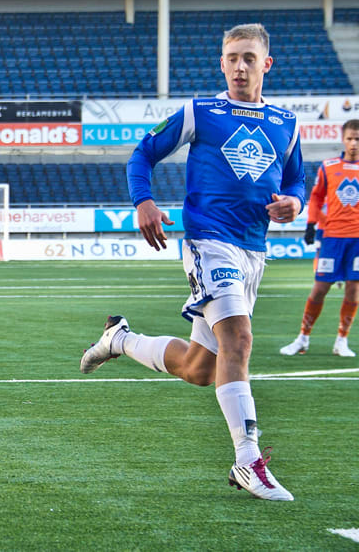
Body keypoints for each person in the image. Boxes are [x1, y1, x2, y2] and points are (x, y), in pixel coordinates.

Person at [79, 24, 305, 501]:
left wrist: (295, 203)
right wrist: (143, 201)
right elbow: (142, 153)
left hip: (254, 250)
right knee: (238, 339)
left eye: (249, 58)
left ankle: (120, 339)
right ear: (221, 64)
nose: (239, 66)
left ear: (266, 64)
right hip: (209, 241)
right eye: (231, 58)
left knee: (201, 368)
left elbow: (296, 180)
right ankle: (248, 460)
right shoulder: (200, 111)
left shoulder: (286, 122)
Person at [280, 119, 359, 357]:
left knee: (353, 291)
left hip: (357, 240)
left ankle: (341, 341)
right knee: (319, 289)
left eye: (358, 139)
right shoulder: (329, 167)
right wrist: (311, 224)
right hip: (332, 237)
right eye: (350, 138)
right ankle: (302, 338)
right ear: (342, 139)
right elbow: (316, 197)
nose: (354, 143)